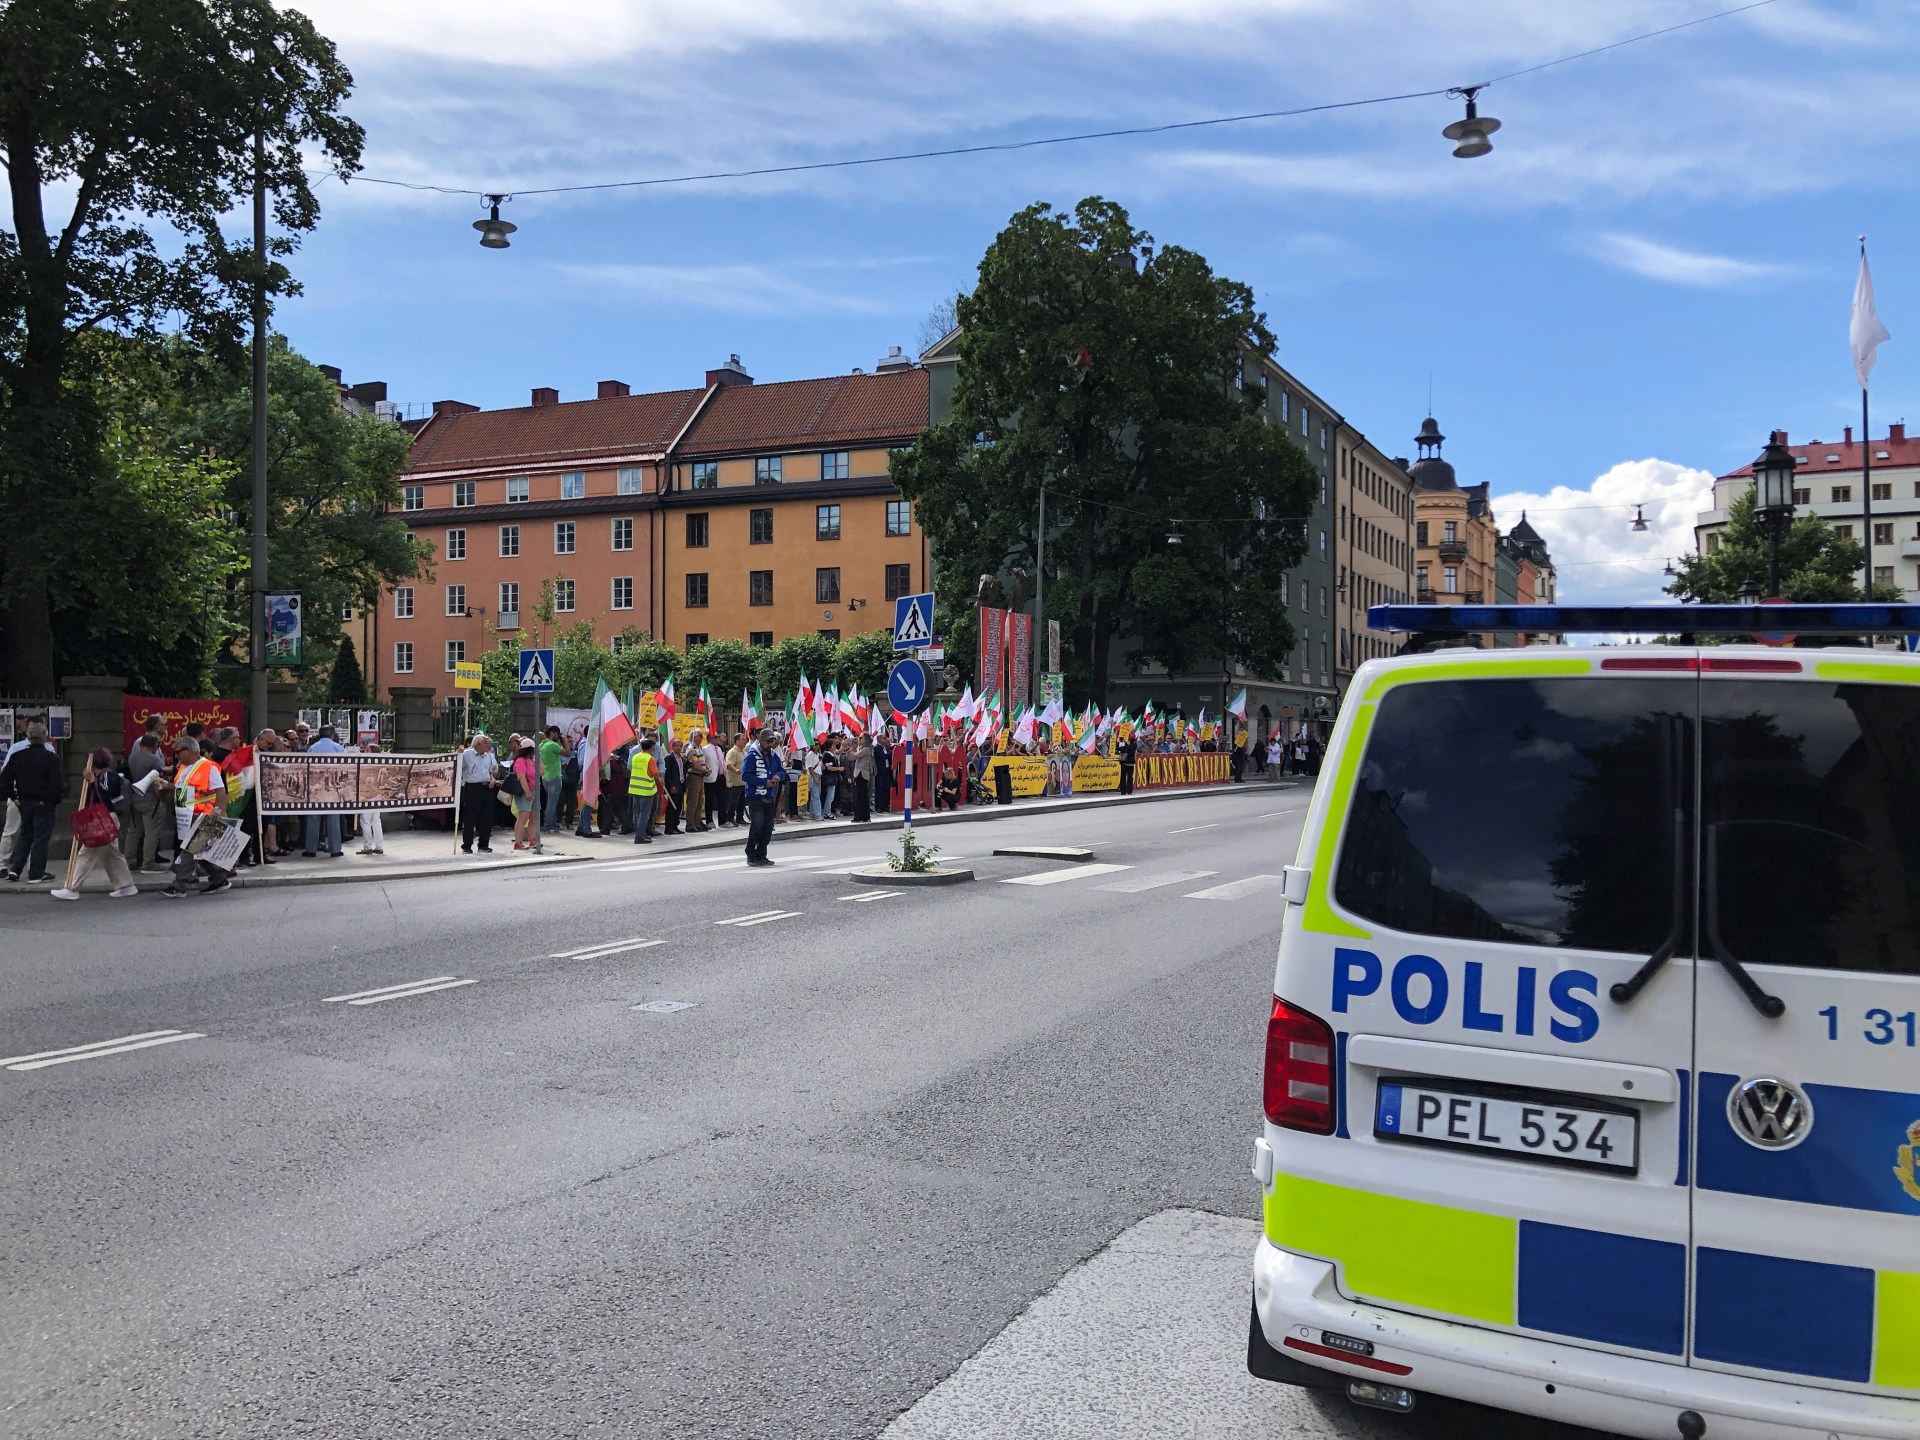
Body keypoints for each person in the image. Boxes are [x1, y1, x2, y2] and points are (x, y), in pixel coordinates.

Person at [52, 748, 139, 900]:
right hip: (105, 818)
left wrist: (93, 781)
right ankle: (126, 885)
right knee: (112, 855)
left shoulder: (107, 776)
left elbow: (106, 796)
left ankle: (72, 887)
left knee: (86, 853)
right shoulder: (104, 776)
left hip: (105, 818)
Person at [163, 736, 231, 897]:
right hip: (187, 817)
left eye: (178, 752)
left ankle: (179, 886)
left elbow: (220, 791)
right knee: (199, 851)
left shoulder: (208, 767)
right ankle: (219, 879)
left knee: (190, 849)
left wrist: (219, 812)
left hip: (205, 816)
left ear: (190, 750)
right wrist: (167, 786)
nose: (176, 756)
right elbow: (184, 789)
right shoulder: (183, 768)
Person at [1, 722, 64, 883]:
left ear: (28, 736)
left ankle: (15, 869)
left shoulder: (18, 755)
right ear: (44, 737)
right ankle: (36, 872)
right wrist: (50, 800)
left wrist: (14, 796)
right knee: (41, 838)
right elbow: (56, 784)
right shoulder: (51, 758)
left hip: (24, 801)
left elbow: (5, 778)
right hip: (43, 803)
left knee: (25, 835)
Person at [740, 722, 786, 867]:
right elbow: (745, 775)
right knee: (757, 825)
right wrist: (763, 782)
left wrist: (778, 776)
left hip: (769, 794)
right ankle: (751, 854)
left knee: (768, 826)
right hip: (755, 795)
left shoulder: (773, 756)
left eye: (772, 741)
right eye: (768, 741)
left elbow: (782, 770)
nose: (770, 744)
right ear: (761, 741)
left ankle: (762, 854)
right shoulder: (752, 756)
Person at [299, 725, 346, 857]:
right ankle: (335, 849)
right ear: (332, 735)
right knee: (333, 818)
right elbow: (345, 766)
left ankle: (311, 849)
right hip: (333, 787)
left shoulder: (312, 748)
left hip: (316, 786)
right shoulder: (338, 748)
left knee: (313, 818)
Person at [458, 734, 501, 853]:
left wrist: (492, 778)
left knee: (487, 816)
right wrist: (458, 755)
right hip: (472, 787)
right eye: (486, 743)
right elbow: (457, 767)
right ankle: (467, 845)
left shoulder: (489, 755)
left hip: (487, 787)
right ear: (478, 744)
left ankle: (483, 844)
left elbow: (493, 770)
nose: (489, 745)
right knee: (470, 817)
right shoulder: (467, 754)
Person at [356, 734, 387, 855]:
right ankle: (379, 846)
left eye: (367, 750)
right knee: (376, 820)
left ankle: (368, 846)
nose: (365, 751)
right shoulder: (380, 764)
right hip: (377, 794)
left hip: (369, 795)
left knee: (365, 820)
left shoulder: (369, 765)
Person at [510, 739, 542, 851]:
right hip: (525, 791)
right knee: (523, 817)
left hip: (535, 790)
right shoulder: (520, 761)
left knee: (533, 816)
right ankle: (518, 842)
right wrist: (527, 791)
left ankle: (532, 839)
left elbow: (541, 772)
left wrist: (539, 759)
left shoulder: (532, 760)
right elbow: (521, 777)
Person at [627, 734, 659, 843]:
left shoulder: (635, 757)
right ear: (650, 748)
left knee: (638, 813)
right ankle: (640, 836)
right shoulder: (650, 759)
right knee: (645, 814)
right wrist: (660, 778)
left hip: (635, 789)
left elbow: (630, 768)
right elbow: (655, 774)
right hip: (646, 790)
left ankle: (641, 833)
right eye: (653, 747)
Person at [538, 725, 565, 833]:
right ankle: (548, 824)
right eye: (557, 734)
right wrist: (564, 741)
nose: (559, 736)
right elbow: (567, 752)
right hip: (554, 777)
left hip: (545, 777)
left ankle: (552, 823)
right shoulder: (552, 745)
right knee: (552, 803)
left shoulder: (541, 745)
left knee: (551, 801)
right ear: (553, 733)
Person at [683, 729, 710, 832]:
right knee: (693, 802)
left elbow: (702, 761)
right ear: (694, 736)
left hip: (700, 775)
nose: (702, 737)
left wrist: (707, 768)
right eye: (700, 735)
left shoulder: (699, 747)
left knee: (699, 801)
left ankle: (697, 822)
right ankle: (690, 824)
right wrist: (704, 770)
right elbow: (694, 764)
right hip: (694, 776)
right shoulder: (690, 748)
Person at [660, 736, 688, 835]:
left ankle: (675, 826)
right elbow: (667, 774)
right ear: (672, 747)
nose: (679, 748)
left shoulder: (681, 758)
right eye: (677, 746)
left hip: (681, 784)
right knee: (672, 807)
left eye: (681, 746)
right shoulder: (669, 758)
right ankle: (669, 827)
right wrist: (671, 786)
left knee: (678, 807)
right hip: (674, 786)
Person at [701, 730, 727, 830]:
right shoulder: (705, 749)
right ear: (710, 739)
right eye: (716, 737)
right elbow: (703, 761)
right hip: (711, 777)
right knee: (710, 800)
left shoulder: (719, 749)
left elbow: (722, 761)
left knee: (722, 799)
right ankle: (709, 820)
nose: (718, 739)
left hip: (720, 776)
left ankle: (722, 820)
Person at [723, 733, 747, 826]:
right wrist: (735, 769)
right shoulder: (732, 751)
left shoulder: (744, 752)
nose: (745, 741)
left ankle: (740, 818)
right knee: (733, 802)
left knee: (742, 802)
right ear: (737, 741)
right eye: (743, 739)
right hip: (734, 782)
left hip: (742, 781)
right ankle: (730, 818)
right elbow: (729, 764)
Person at [849, 736, 874, 823]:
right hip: (858, 774)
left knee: (861, 796)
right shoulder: (860, 748)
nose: (858, 740)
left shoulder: (866, 749)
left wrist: (850, 750)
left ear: (865, 740)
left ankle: (860, 816)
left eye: (861, 738)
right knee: (861, 796)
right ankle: (864, 816)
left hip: (862, 774)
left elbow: (854, 756)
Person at [1116, 728, 1137, 795]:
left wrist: (1125, 743)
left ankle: (1129, 790)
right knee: (1123, 777)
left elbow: (1128, 749)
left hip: (1129, 763)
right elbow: (1118, 748)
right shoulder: (1124, 744)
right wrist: (1118, 742)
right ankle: (1123, 791)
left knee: (1129, 777)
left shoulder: (1133, 744)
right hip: (1124, 762)